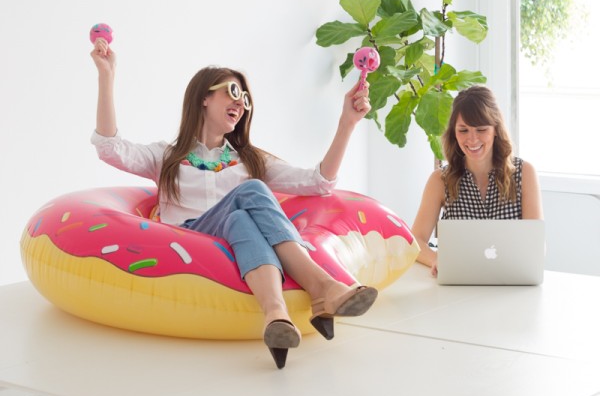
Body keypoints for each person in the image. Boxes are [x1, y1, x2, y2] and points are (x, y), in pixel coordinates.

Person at [90, 39, 378, 368]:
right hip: (187, 239)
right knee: (250, 191)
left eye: (245, 100)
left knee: (240, 218)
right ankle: (322, 286)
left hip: (236, 238)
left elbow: (318, 182)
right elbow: (109, 148)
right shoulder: (166, 156)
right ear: (203, 98)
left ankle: (275, 315)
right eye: (232, 92)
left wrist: (347, 123)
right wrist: (107, 76)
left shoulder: (249, 159)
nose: (240, 104)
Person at [411, 85, 543, 276]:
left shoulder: (525, 173)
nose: (472, 140)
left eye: (481, 129)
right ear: (454, 133)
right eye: (463, 130)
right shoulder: (440, 180)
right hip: (457, 283)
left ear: (495, 129)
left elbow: (536, 243)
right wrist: (437, 259)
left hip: (510, 281)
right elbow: (415, 240)